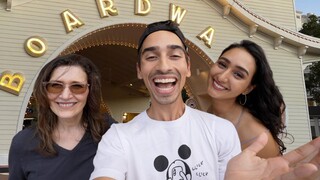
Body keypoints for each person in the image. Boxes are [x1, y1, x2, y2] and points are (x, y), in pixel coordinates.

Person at [90, 20, 241, 180]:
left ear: (188, 66)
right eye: (151, 57)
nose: (163, 66)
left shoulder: (221, 131)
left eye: (174, 56)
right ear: (139, 70)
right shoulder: (118, 138)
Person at [8, 54, 108, 180]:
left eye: (77, 86)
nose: (65, 96)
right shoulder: (23, 142)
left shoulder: (110, 135)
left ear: (90, 90)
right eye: (55, 86)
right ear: (45, 90)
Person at [207, 40, 288, 158]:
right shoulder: (204, 109)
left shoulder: (258, 137)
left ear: (248, 88)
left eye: (238, 74)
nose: (222, 77)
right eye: (222, 64)